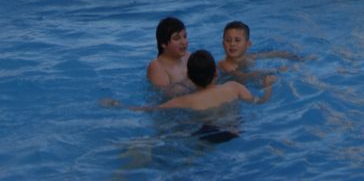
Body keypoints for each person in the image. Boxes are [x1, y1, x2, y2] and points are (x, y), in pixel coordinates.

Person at [104, 49, 274, 112]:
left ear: (190, 78)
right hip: (234, 131)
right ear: (216, 73)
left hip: (206, 133)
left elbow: (149, 109)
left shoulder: (185, 101)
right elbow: (260, 102)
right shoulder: (233, 87)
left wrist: (117, 104)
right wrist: (268, 86)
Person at [218, 20, 303, 79]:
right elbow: (244, 77)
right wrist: (275, 71)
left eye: (237, 40)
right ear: (223, 43)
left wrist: (298, 58)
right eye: (228, 40)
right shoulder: (224, 64)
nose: (232, 44)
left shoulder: (248, 57)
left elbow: (272, 54)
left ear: (248, 44)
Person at [147, 16, 190, 89]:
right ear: (163, 43)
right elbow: (163, 94)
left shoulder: (188, 57)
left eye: (185, 36)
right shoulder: (157, 67)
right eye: (177, 38)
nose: (184, 42)